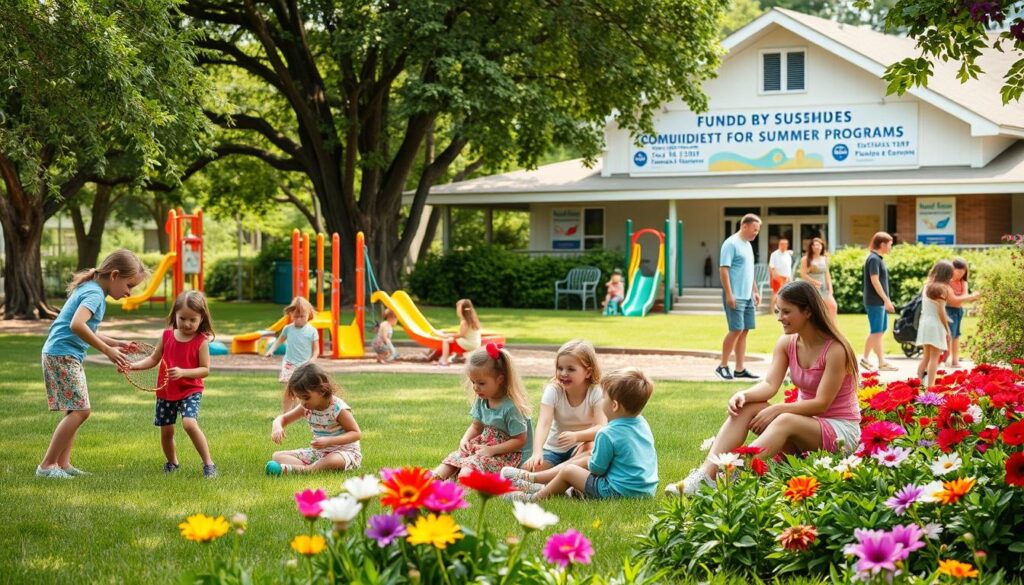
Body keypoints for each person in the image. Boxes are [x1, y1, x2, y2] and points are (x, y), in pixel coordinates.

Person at [668, 281, 861, 495]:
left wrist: (778, 409)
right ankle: (705, 477)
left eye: (787, 312)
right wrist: (743, 394)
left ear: (807, 311)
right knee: (747, 406)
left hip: (840, 431)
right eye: (778, 311)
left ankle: (729, 481)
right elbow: (770, 384)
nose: (780, 317)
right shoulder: (787, 343)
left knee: (784, 419)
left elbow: (821, 404)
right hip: (805, 425)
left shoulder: (836, 349)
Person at [37, 250, 147, 479]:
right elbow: (77, 325)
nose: (129, 293)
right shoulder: (95, 294)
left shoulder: (92, 289)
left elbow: (88, 329)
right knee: (81, 411)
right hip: (62, 355)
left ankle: (63, 464)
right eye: (129, 285)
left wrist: (117, 342)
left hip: (63, 354)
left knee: (74, 410)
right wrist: (107, 350)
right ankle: (47, 466)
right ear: (115, 275)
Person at [502, 367, 658, 502]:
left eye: (604, 398)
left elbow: (597, 469)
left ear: (614, 405)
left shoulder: (607, 433)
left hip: (617, 492)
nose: (601, 400)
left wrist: (583, 463)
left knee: (569, 471)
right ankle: (537, 481)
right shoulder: (642, 424)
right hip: (646, 491)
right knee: (582, 461)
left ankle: (534, 497)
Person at [128, 291, 217, 477]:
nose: (187, 323)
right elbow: (153, 359)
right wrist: (132, 366)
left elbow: (205, 370)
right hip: (166, 392)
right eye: (182, 318)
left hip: (190, 390)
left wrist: (184, 372)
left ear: (202, 318)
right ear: (175, 315)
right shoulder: (167, 336)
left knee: (189, 423)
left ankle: (208, 464)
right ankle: (172, 462)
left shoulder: (201, 342)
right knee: (166, 431)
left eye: (193, 319)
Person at [432, 343, 532, 479]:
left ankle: (463, 489)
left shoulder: (511, 407)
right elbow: (476, 426)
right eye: (473, 382)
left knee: (470, 466)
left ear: (500, 379)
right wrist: (465, 439)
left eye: (481, 383)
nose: (475, 388)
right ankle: (432, 480)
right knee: (455, 458)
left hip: (503, 455)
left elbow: (519, 440)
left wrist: (492, 450)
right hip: (483, 447)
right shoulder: (482, 399)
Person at [520, 339, 606, 473]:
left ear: (588, 372)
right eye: (560, 368)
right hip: (554, 449)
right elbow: (544, 423)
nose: (563, 373)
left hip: (581, 447)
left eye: (571, 369)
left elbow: (602, 427)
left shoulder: (596, 393)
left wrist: (577, 436)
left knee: (589, 451)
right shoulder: (553, 390)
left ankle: (555, 478)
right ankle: (560, 479)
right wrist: (537, 452)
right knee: (529, 468)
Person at [267, 362, 362, 474]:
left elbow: (356, 433)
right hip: (319, 453)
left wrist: (330, 441)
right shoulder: (306, 407)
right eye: (300, 398)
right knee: (277, 456)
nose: (303, 403)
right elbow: (283, 419)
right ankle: (309, 468)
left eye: (306, 398)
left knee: (333, 461)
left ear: (321, 390)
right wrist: (277, 426)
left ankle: (305, 470)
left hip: (344, 453)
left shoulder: (338, 409)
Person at [716, 213, 762, 381]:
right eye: (754, 230)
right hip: (735, 295)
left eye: (757, 231)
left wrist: (755, 291)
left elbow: (749, 271)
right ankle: (722, 366)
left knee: (744, 331)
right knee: (735, 330)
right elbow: (723, 270)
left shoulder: (748, 245)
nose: (756, 233)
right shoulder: (731, 244)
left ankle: (740, 369)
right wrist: (729, 294)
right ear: (744, 226)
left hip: (747, 295)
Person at [265, 296, 320, 412]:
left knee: (304, 390)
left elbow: (316, 350)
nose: (299, 319)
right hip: (289, 363)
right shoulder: (288, 329)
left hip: (304, 365)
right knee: (288, 389)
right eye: (296, 316)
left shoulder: (312, 331)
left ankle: (302, 412)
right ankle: (285, 414)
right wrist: (271, 350)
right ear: (291, 315)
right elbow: (279, 340)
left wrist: (312, 360)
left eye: (302, 316)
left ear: (308, 314)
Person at [860, 232, 897, 372]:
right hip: (875, 301)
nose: (890, 248)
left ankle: (881, 362)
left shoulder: (877, 259)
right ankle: (865, 358)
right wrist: (886, 300)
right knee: (876, 331)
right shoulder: (874, 259)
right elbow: (874, 280)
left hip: (878, 301)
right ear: (882, 244)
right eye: (890, 245)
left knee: (880, 330)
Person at [916, 261, 955, 386]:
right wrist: (947, 329)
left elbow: (931, 307)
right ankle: (930, 388)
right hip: (935, 325)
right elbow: (940, 312)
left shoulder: (927, 285)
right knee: (934, 357)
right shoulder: (941, 289)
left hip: (924, 323)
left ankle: (919, 384)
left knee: (926, 357)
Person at [946, 257, 980, 368]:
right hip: (948, 310)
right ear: (952, 269)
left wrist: (970, 297)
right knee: (949, 336)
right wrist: (970, 297)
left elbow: (963, 299)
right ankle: (947, 358)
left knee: (956, 336)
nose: (961, 274)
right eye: (958, 271)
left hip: (958, 311)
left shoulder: (963, 283)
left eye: (963, 271)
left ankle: (955, 360)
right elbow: (953, 300)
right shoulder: (948, 282)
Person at [800, 237, 838, 316]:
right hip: (812, 287)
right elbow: (803, 274)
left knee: (833, 306)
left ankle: (833, 327)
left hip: (824, 287)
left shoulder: (824, 258)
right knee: (815, 310)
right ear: (811, 247)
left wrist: (830, 289)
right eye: (815, 245)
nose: (817, 247)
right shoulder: (805, 259)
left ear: (822, 246)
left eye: (819, 245)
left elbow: (827, 274)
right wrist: (814, 282)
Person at [437, 298, 481, 366]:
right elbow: (463, 333)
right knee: (453, 338)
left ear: (462, 310)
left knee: (446, 341)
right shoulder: (472, 319)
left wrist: (446, 335)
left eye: (458, 307)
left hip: (470, 344)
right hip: (475, 343)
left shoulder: (465, 321)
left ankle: (444, 360)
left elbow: (460, 334)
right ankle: (458, 356)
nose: (456, 310)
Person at [768, 238, 794, 313]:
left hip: (787, 277)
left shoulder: (787, 254)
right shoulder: (774, 254)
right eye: (782, 244)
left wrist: (789, 277)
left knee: (786, 294)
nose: (784, 245)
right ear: (779, 245)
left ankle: (784, 309)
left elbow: (788, 267)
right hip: (777, 276)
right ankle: (771, 310)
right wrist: (774, 277)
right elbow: (771, 266)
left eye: (786, 244)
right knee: (776, 293)